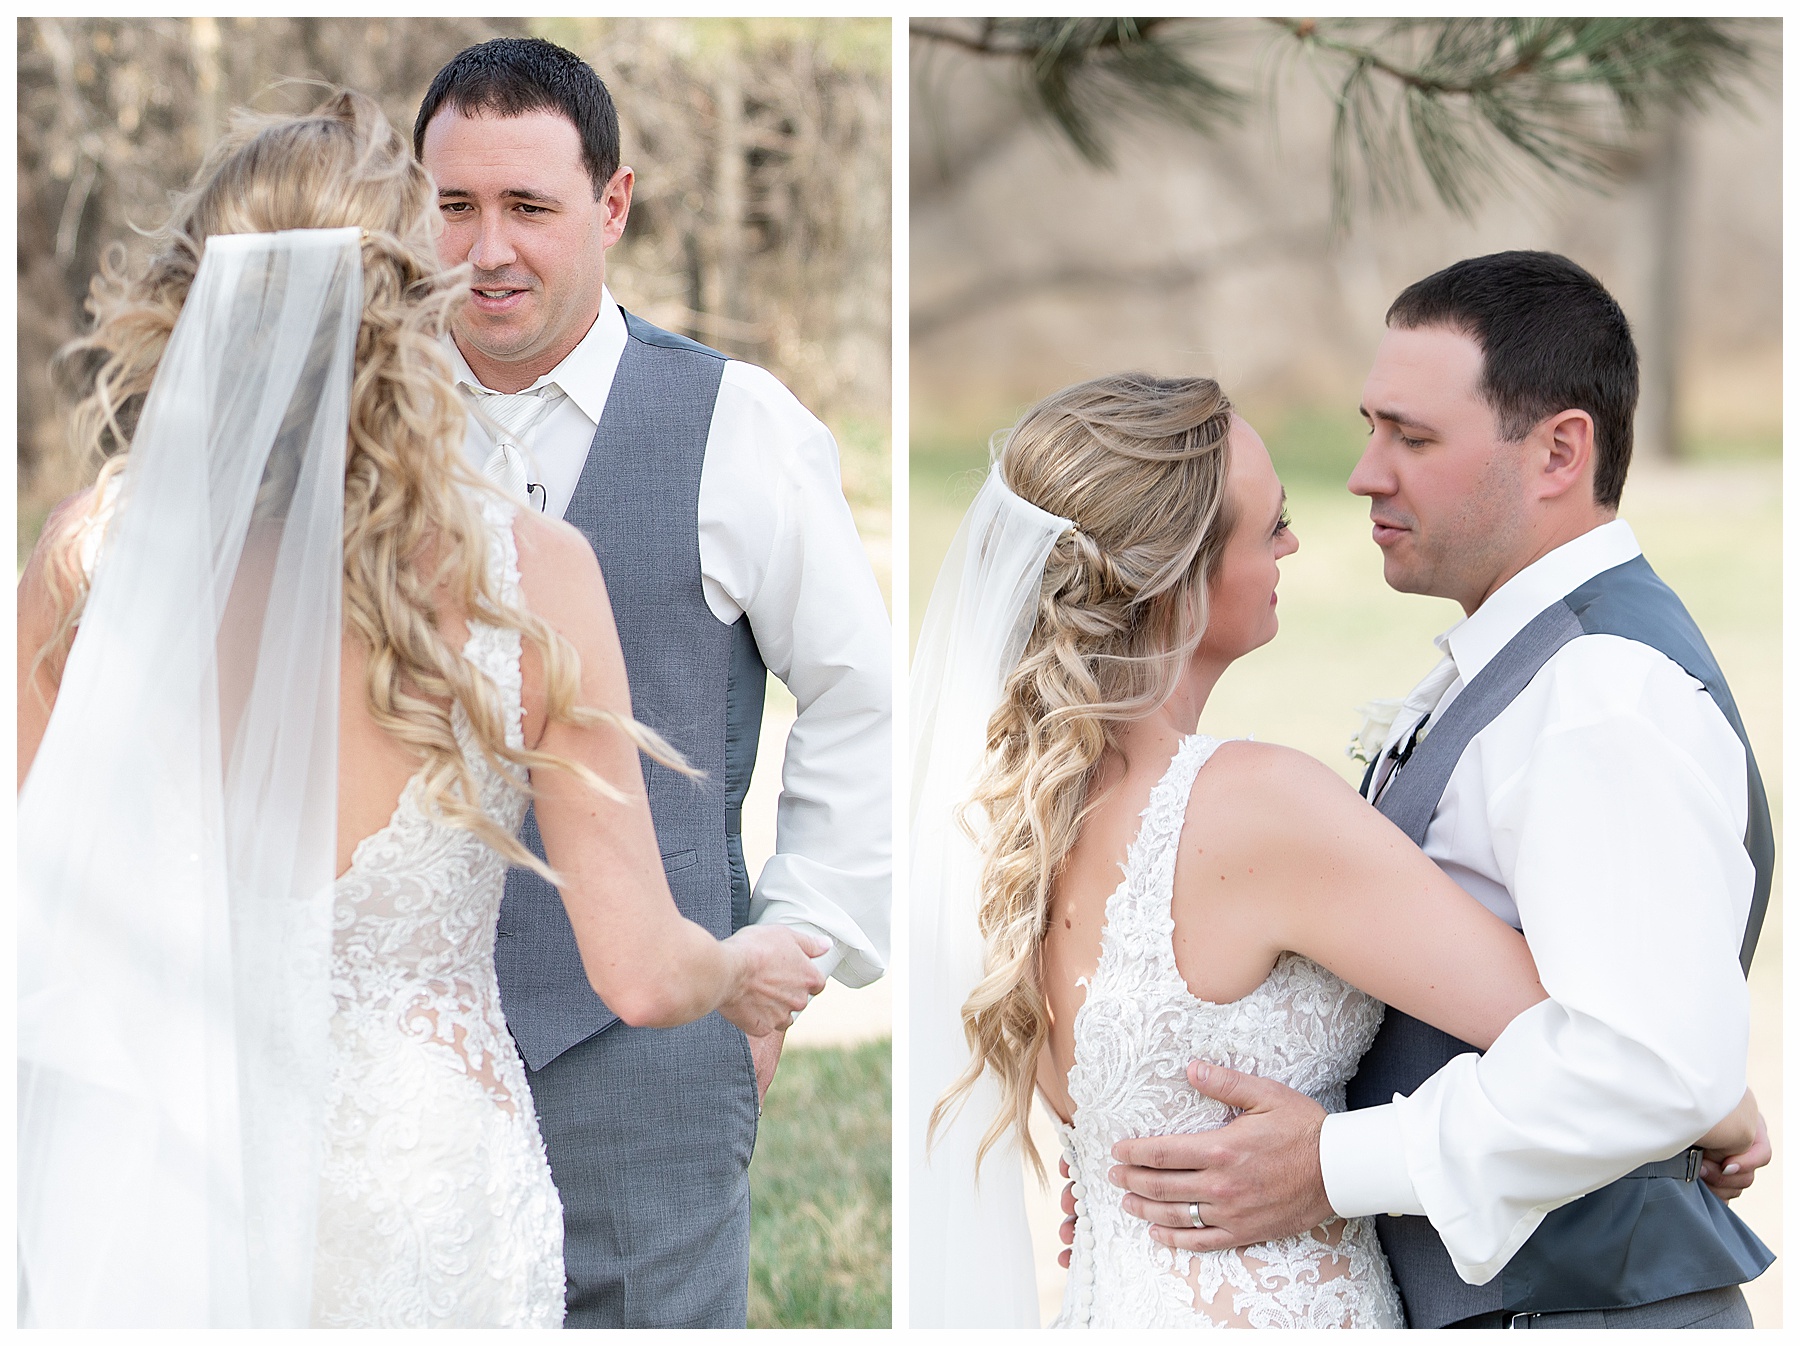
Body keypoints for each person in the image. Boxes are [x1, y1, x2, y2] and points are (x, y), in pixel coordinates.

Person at [16, 91, 825, 1329]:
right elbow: (648, 973)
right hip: (422, 1184)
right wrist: (746, 964)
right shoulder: (529, 575)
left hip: (177, 1166)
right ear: (407, 313)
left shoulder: (89, 562)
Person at [908, 372, 1763, 1328]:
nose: (1295, 542)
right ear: (1180, 576)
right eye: (1269, 526)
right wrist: (1719, 1103)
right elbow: (1593, 1035)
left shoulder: (1020, 812)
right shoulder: (1253, 806)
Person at [1104, 252, 1774, 1328]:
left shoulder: (1600, 688)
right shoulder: (1518, 664)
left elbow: (1647, 1060)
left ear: (1561, 450)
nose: (1367, 472)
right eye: (1373, 426)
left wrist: (1332, 1161)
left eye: (1412, 438)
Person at [412, 38, 891, 1328]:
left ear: (611, 206)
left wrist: (798, 946)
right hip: (405, 1043)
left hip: (655, 1045)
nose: (488, 249)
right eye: (455, 206)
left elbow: (861, 693)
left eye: (529, 208)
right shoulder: (363, 431)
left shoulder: (738, 426)